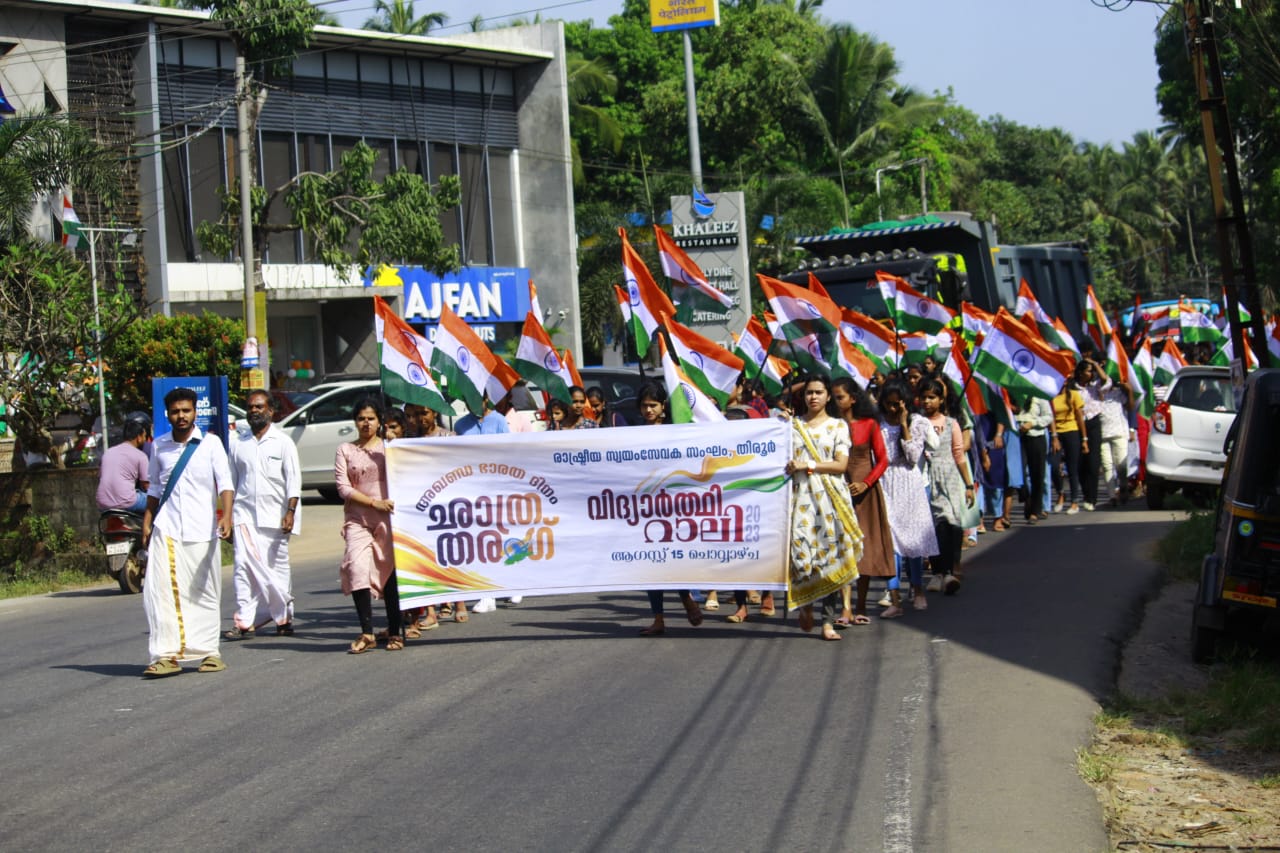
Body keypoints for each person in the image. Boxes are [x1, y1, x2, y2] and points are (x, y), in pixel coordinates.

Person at [139, 387, 234, 677]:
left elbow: (225, 483)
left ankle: (209, 652)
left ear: (195, 412)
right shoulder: (159, 446)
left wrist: (227, 516)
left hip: (202, 529)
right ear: (167, 415)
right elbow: (155, 488)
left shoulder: (211, 444)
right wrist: (147, 520)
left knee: (204, 592)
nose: (181, 416)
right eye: (175, 412)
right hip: (167, 527)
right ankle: (166, 655)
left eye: (186, 411)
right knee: (161, 593)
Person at [785, 375, 864, 641]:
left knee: (831, 556)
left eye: (819, 392)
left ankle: (827, 621)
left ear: (828, 396)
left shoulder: (838, 426)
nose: (813, 397)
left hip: (831, 499)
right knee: (801, 553)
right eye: (809, 392)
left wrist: (807, 465)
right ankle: (806, 604)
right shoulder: (791, 426)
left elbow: (841, 465)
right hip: (801, 499)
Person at [224, 389, 302, 640]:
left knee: (277, 569)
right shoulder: (238, 444)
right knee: (242, 567)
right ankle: (243, 621)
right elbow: (230, 484)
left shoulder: (283, 442)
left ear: (271, 411)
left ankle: (283, 618)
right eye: (250, 407)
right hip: (244, 516)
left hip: (276, 517)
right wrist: (227, 517)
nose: (254, 411)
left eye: (259, 407)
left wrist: (290, 512)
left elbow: (293, 480)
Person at [633, 381, 703, 636]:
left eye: (653, 405)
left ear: (663, 406)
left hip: (673, 505)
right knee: (650, 564)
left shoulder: (677, 431)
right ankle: (658, 619)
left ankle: (686, 598)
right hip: (646, 507)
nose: (648, 410)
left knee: (672, 558)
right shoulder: (633, 436)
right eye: (644, 406)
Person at [336, 399, 401, 653]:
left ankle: (395, 631)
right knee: (356, 567)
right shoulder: (345, 450)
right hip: (358, 518)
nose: (366, 423)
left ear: (379, 421)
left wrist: (395, 445)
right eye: (361, 418)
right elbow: (343, 487)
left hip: (388, 518)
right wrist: (374, 503)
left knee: (389, 571)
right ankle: (367, 632)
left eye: (371, 418)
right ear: (355, 421)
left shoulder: (388, 448)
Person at [831, 377, 895, 626]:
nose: (836, 401)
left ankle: (860, 604)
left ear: (853, 399)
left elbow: (882, 459)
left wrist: (866, 483)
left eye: (840, 397)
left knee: (864, 548)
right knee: (842, 548)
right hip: (838, 489)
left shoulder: (869, 424)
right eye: (834, 397)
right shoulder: (831, 425)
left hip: (865, 492)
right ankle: (845, 607)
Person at [877, 379, 939, 616]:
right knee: (890, 541)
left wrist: (904, 425)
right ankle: (894, 597)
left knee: (913, 540)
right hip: (886, 482)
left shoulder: (918, 422)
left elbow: (913, 457)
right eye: (889, 404)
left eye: (898, 404)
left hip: (910, 483)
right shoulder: (879, 424)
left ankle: (918, 589)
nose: (893, 409)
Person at [919, 378, 977, 595]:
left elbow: (959, 455)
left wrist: (968, 485)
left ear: (941, 400)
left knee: (951, 524)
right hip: (925, 477)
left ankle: (950, 570)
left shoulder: (952, 424)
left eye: (932, 397)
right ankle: (937, 573)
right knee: (932, 527)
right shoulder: (917, 423)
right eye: (924, 397)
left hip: (949, 478)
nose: (927, 401)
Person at [96, 418, 151, 513]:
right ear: (139, 437)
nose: (145, 439)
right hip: (127, 503)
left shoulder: (108, 452)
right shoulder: (141, 456)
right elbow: (146, 486)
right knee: (155, 501)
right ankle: (148, 523)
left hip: (102, 503)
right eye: (144, 436)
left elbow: (101, 475)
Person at [1051, 373, 1086, 514]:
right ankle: (1060, 493)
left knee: (1072, 468)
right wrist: (1054, 436)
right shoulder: (1051, 396)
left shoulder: (1074, 395)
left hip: (1072, 431)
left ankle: (1074, 502)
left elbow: (1080, 417)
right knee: (1054, 467)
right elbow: (1050, 417)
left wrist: (1084, 439)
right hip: (1056, 433)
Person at [1015, 395, 1054, 523]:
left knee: (1037, 475)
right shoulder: (1013, 394)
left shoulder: (1039, 396)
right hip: (1018, 437)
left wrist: (1033, 423)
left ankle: (1035, 511)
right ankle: (1027, 498)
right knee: (1019, 472)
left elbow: (1048, 417)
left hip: (1036, 437)